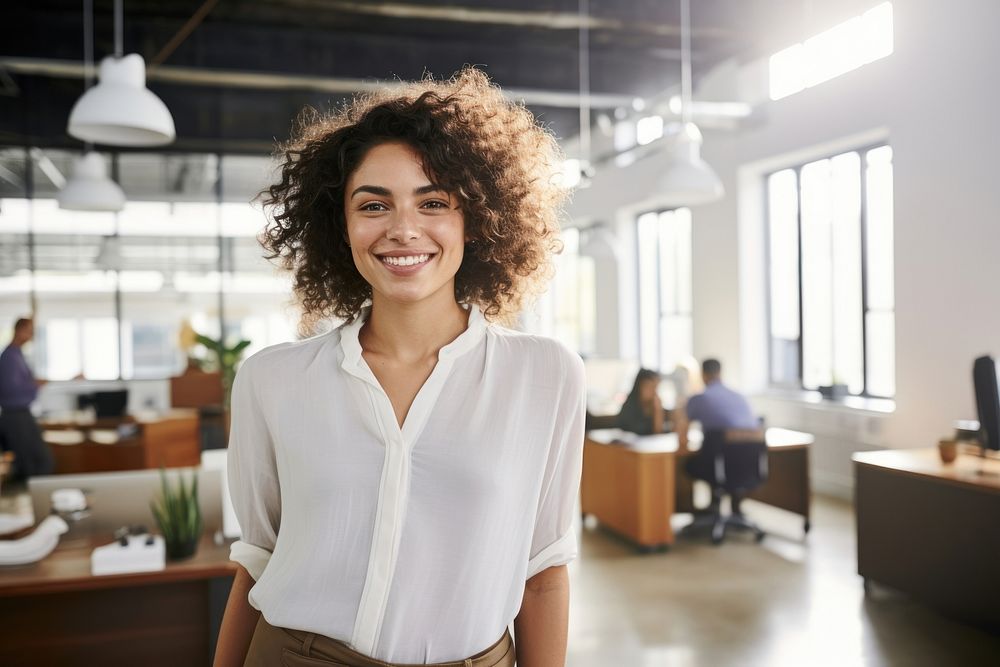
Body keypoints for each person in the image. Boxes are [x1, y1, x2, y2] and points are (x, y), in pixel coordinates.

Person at [215, 68, 585, 667]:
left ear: (477, 218)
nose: (403, 229)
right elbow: (257, 558)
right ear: (341, 223)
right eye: (374, 204)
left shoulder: (545, 375)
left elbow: (544, 571)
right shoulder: (271, 379)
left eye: (433, 202)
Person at [0, 318, 53, 481]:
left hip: (22, 414)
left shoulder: (18, 355)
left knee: (40, 462)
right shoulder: (9, 357)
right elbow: (11, 390)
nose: (31, 335)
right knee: (35, 463)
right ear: (19, 330)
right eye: (29, 331)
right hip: (15, 416)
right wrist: (34, 385)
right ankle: (33, 501)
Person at [615, 368, 664, 435]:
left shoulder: (654, 406)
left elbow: (658, 433)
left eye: (656, 387)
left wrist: (658, 411)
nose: (654, 392)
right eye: (650, 387)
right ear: (639, 386)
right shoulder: (630, 406)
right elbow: (635, 432)